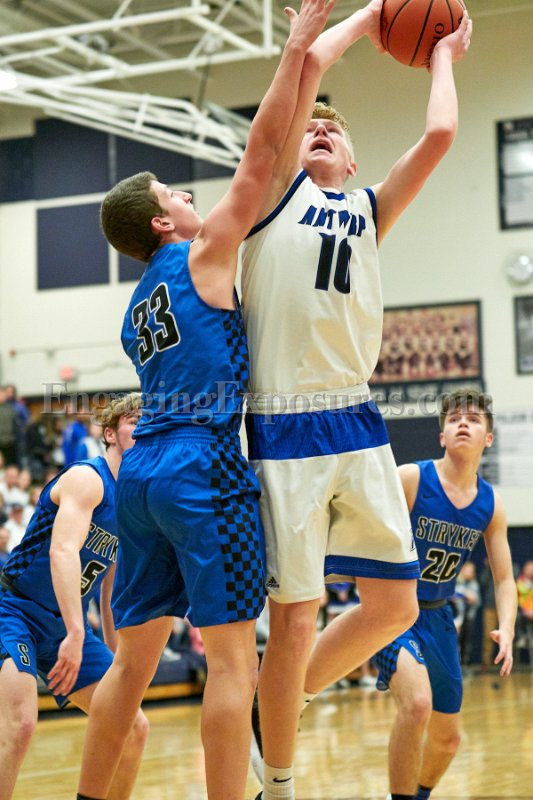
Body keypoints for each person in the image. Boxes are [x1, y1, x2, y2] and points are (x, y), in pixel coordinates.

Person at [76, 5, 336, 800]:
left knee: (131, 662)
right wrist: (297, 48)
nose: (190, 196)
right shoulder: (203, 253)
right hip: (201, 465)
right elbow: (262, 153)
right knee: (232, 663)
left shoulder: (135, 310)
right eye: (175, 192)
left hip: (141, 474)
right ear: (163, 221)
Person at [241, 2, 472, 798]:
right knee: (295, 617)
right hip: (283, 420)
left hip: (358, 417)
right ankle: (276, 778)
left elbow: (438, 134)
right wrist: (373, 16)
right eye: (311, 128)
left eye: (333, 133)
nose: (319, 132)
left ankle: (282, 698)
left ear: (351, 158)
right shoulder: (273, 195)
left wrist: (440, 53)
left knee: (395, 607)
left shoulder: (370, 209)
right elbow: (307, 68)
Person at [0, 393, 148, 800]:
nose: (144, 429)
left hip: (64, 627)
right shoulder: (88, 478)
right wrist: (77, 631)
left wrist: (119, 662)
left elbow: (112, 590)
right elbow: (62, 551)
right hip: (14, 610)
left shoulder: (133, 503)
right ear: (110, 433)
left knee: (132, 726)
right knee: (20, 725)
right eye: (134, 421)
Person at [372, 389, 516, 800]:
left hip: (438, 616)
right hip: (394, 610)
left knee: (448, 740)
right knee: (417, 704)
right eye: (454, 419)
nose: (462, 423)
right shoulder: (411, 478)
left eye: (473, 419)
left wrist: (507, 629)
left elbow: (504, 579)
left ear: (488, 437)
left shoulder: (491, 504)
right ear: (442, 436)